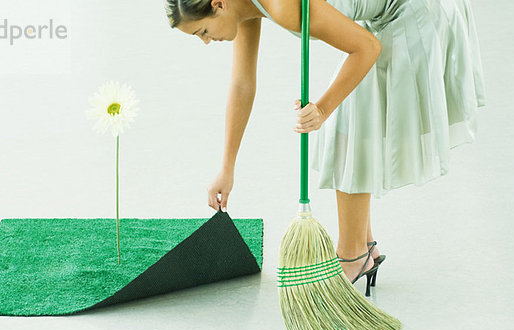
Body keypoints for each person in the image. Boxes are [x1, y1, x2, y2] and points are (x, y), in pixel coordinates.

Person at [163, 0, 486, 284]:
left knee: (348, 126)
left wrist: (322, 110)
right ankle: (363, 246)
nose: (206, 41)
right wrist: (227, 168)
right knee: (352, 124)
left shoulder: (285, 6)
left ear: (218, 4)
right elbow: (242, 84)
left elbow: (367, 47)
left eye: (202, 32)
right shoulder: (244, 9)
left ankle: (352, 255)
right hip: (384, 16)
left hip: (417, 11)